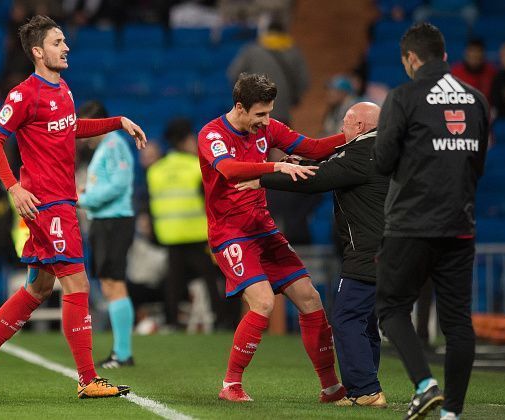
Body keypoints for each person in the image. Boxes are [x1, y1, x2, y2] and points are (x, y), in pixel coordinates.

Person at [0, 15, 147, 400]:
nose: (66, 47)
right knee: (76, 283)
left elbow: (70, 127)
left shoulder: (63, 90)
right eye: (58, 42)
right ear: (38, 51)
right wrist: (13, 188)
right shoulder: (23, 94)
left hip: (61, 200)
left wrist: (117, 122)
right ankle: (88, 378)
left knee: (41, 285)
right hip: (48, 203)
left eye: (65, 41)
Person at [198, 72, 347, 403]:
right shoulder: (212, 134)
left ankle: (331, 387)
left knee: (310, 298)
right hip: (230, 234)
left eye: (269, 112)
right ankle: (231, 385)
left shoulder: (267, 127)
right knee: (263, 302)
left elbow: (312, 148)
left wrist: (350, 135)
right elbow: (229, 170)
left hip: (262, 228)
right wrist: (276, 167)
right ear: (240, 107)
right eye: (260, 114)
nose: (266, 121)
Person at [236, 102, 389, 408]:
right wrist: (299, 160)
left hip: (367, 253)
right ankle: (368, 385)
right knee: (365, 321)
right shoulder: (384, 151)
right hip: (391, 251)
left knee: (346, 318)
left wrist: (263, 177)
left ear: (359, 127)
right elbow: (331, 166)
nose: (340, 130)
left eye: (345, 123)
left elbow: (316, 180)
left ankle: (365, 390)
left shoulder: (361, 154)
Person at [373, 23, 489, 420]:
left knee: (390, 307)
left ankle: (425, 385)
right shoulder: (476, 100)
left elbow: (383, 161)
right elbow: (478, 164)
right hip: (460, 224)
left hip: (411, 223)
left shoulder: (404, 96)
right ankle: (452, 413)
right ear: (443, 55)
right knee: (458, 322)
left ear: (411, 58)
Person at [147, 118, 232, 331]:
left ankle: (173, 322)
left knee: (173, 281)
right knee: (210, 279)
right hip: (197, 233)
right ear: (185, 140)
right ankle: (222, 320)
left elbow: (151, 205)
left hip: (169, 235)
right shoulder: (197, 167)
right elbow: (211, 200)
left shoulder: (155, 170)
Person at [77, 100, 136, 369]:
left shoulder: (114, 145)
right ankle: (120, 352)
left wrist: (84, 198)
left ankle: (122, 354)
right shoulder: (106, 147)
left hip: (114, 220)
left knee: (114, 283)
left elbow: (119, 184)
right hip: (106, 221)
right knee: (110, 283)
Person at [227, 17, 309, 126]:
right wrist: (293, 98)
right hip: (282, 112)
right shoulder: (294, 53)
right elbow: (304, 82)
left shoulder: (251, 51)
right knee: (280, 141)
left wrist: (244, 97)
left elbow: (233, 74)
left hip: (254, 112)